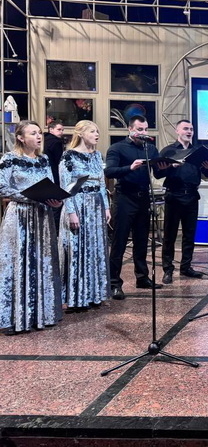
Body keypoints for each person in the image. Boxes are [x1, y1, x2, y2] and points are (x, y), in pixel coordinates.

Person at [0, 121, 63, 334]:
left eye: (39, 133)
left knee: (42, 262)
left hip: (42, 216)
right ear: (20, 137)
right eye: (33, 133)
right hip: (19, 215)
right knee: (17, 262)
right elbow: (2, 186)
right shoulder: (9, 159)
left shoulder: (43, 159)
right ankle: (13, 318)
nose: (38, 136)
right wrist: (29, 197)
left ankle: (41, 314)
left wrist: (55, 200)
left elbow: (50, 185)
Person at [104, 115, 163, 300]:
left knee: (142, 240)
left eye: (145, 129)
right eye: (139, 129)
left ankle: (142, 277)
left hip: (143, 197)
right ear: (130, 129)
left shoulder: (150, 148)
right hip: (124, 198)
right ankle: (114, 283)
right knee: (119, 241)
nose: (143, 132)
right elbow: (109, 171)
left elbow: (158, 173)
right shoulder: (117, 148)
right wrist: (129, 168)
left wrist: (167, 166)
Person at [58, 121, 111, 311]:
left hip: (95, 206)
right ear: (80, 133)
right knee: (77, 250)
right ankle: (76, 297)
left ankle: (93, 294)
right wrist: (71, 212)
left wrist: (106, 207)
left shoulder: (97, 155)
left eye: (97, 131)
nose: (97, 134)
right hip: (78, 204)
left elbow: (102, 184)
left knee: (95, 250)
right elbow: (65, 186)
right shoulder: (69, 156)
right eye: (92, 131)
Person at [153, 120, 208, 283]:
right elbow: (157, 174)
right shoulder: (168, 151)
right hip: (174, 195)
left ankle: (186, 267)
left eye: (191, 129)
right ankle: (168, 269)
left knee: (189, 235)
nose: (189, 132)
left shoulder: (197, 151)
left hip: (192, 196)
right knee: (170, 235)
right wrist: (169, 167)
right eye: (186, 129)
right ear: (177, 131)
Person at [44, 120, 65, 229]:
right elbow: (59, 162)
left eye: (62, 130)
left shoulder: (43, 140)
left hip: (45, 178)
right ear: (51, 129)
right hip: (55, 176)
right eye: (59, 129)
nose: (61, 132)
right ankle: (55, 230)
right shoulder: (56, 142)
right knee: (56, 204)